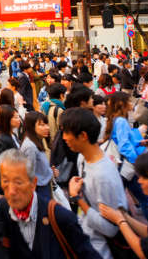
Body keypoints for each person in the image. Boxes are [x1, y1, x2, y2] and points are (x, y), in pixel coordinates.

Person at [0, 149, 100, 259]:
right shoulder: (3, 208)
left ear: (33, 183)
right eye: (6, 181)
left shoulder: (60, 217)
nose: (11, 191)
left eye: (18, 182)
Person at [61, 108, 128, 259]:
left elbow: (111, 228)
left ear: (83, 136)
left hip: (101, 250)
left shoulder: (104, 175)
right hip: (87, 239)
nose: (64, 137)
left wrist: (77, 199)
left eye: (67, 133)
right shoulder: (82, 158)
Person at [103, 92, 148, 219]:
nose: (132, 104)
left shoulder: (115, 119)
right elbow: (124, 145)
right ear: (122, 104)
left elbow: (122, 140)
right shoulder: (121, 121)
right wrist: (135, 161)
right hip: (126, 165)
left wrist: (138, 142)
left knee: (128, 197)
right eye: (129, 101)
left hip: (122, 165)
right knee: (143, 199)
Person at [20, 111, 55, 202]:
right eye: (41, 125)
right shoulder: (30, 146)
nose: (47, 127)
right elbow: (28, 174)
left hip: (43, 186)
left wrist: (49, 171)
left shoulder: (37, 141)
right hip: (39, 190)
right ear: (31, 127)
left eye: (46, 124)